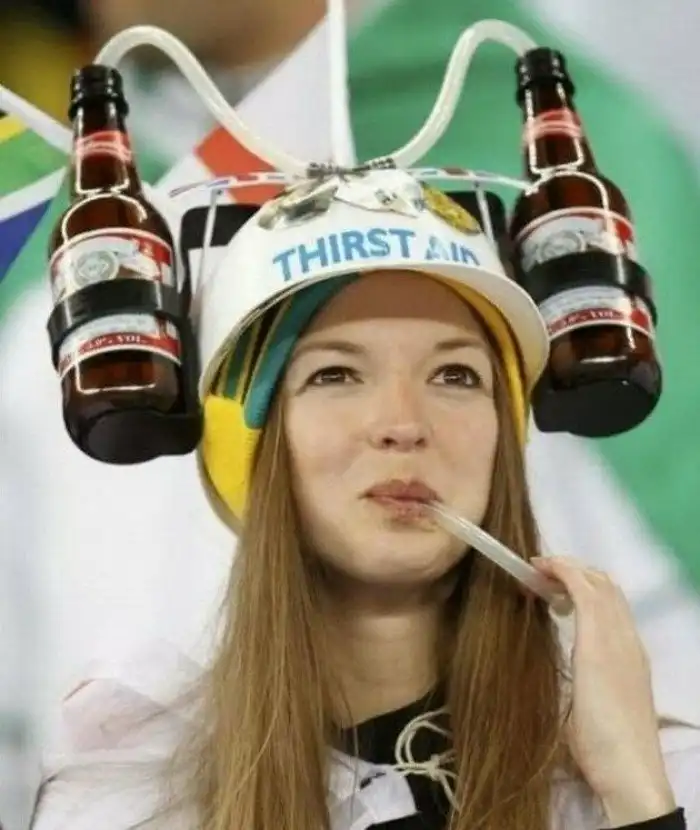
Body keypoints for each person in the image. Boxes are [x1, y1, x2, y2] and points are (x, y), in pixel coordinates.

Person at [29, 166, 700, 830]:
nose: (402, 424)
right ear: (249, 444)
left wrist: (636, 795)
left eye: (456, 374)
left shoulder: (666, 776)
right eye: (336, 374)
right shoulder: (126, 800)